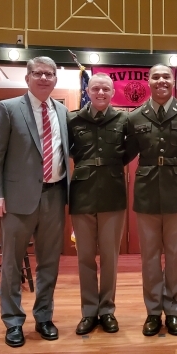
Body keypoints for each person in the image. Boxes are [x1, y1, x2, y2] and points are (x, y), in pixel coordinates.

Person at [0, 56, 70, 348]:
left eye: (50, 73)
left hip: (55, 195)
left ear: (55, 79)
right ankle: (12, 321)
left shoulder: (61, 111)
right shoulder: (8, 109)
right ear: (28, 77)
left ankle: (44, 317)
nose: (44, 78)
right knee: (12, 264)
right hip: (17, 200)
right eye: (39, 73)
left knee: (49, 263)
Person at [126, 64, 177, 336]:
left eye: (165, 77)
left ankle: (173, 312)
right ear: (148, 81)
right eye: (155, 77)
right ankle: (152, 312)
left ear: (174, 81)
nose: (161, 81)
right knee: (149, 258)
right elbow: (128, 150)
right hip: (146, 193)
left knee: (174, 256)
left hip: (176, 192)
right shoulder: (135, 117)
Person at [68, 73, 130, 336]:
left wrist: (113, 164)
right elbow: (67, 149)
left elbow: (132, 149)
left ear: (113, 92)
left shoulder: (123, 119)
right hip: (82, 192)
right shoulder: (72, 119)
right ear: (88, 91)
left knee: (109, 257)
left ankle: (107, 310)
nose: (101, 93)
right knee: (84, 257)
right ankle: (88, 311)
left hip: (112, 191)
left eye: (106, 88)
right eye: (96, 88)